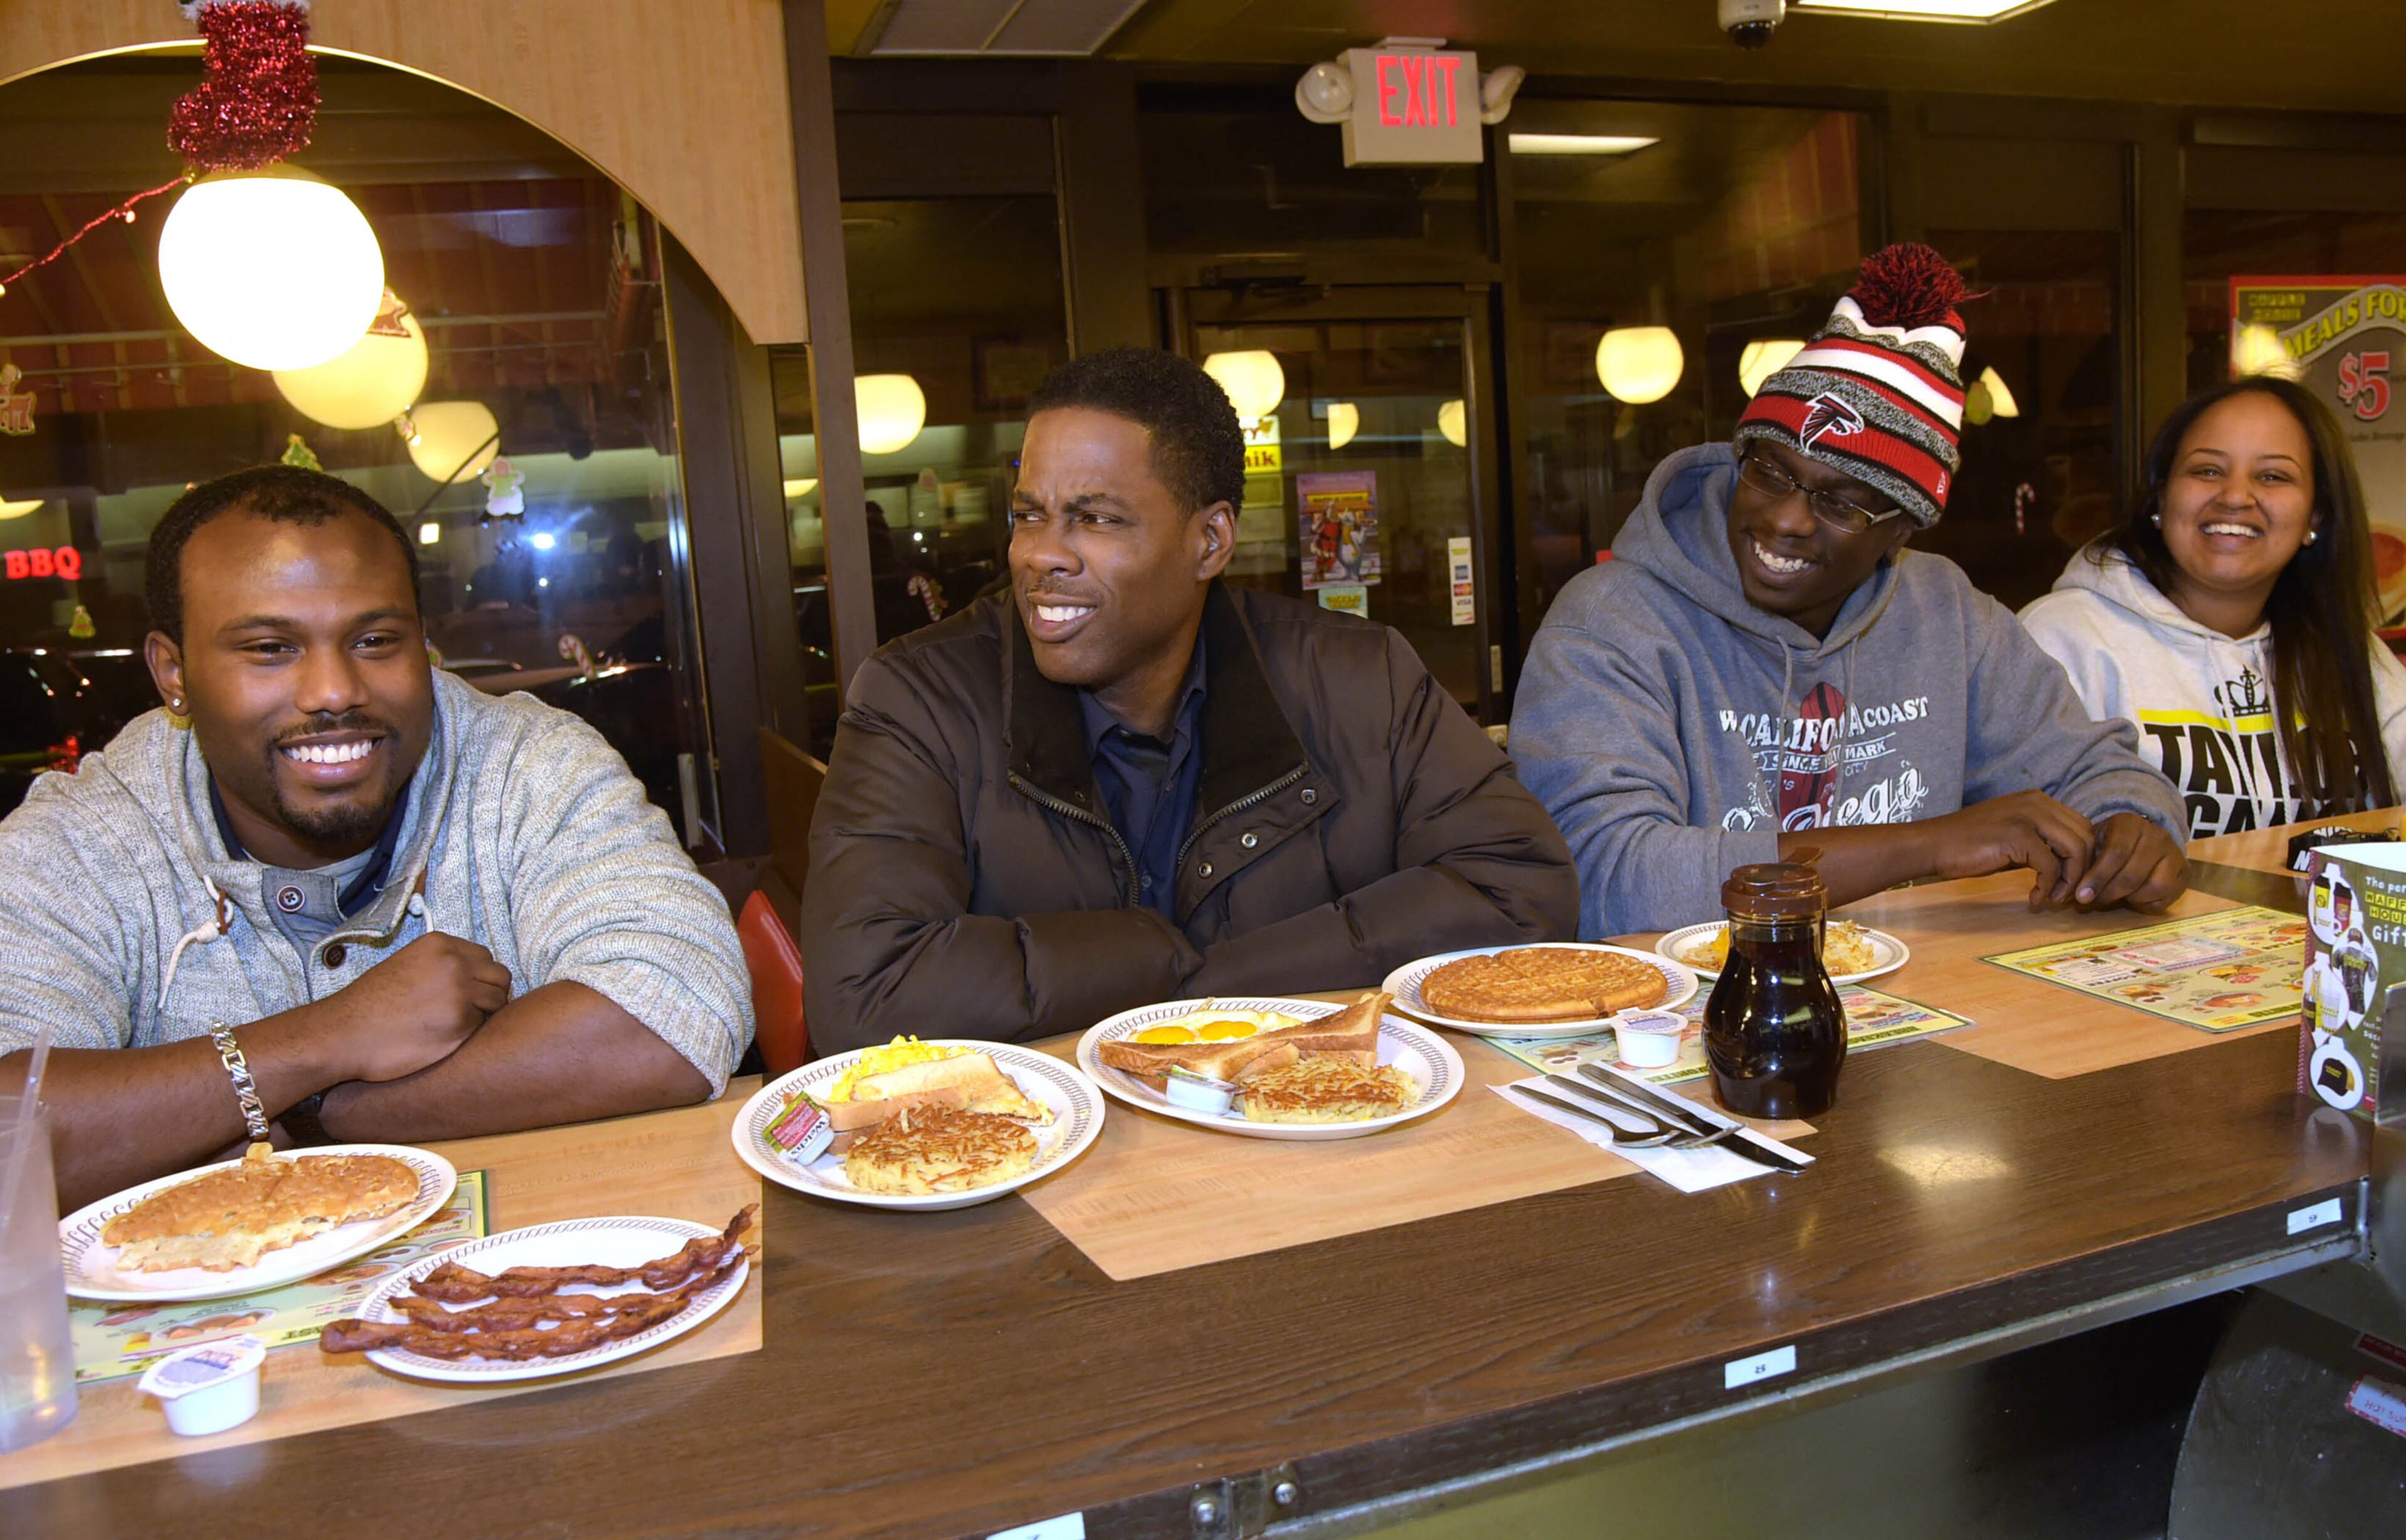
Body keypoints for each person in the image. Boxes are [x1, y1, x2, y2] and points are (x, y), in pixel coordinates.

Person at [0, 466, 753, 1211]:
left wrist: (310, 1111)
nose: (333, 691)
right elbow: (12, 1132)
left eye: (374, 639)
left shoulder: (528, 762)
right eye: (269, 648)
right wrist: (328, 1036)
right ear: (174, 672)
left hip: (525, 1296)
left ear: (424, 645)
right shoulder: (84, 834)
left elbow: (673, 1016)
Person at [801, 347, 1578, 1053]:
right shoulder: (918, 698)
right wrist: (1161, 959)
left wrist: (1218, 987)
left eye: (1096, 519)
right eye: (1030, 514)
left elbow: (1519, 888)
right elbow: (863, 992)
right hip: (1059, 1162)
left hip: (1325, 1139)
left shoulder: (1358, 676)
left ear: (1209, 541)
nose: (1039, 554)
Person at [1511, 244, 2188, 936]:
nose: (1784, 519)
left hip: (1928, 1003)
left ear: (1901, 534)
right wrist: (1928, 843)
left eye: (1842, 504)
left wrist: (2132, 826)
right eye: (1770, 473)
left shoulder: (1946, 611)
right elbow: (1600, 877)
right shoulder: (1612, 618)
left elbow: (2101, 771)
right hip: (1693, 1025)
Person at [2020, 377, 2406, 839]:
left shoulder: (2351, 654)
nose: (2235, 496)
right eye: (2207, 471)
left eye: (2272, 476)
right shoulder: (2063, 638)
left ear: (2315, 517)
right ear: (2161, 498)